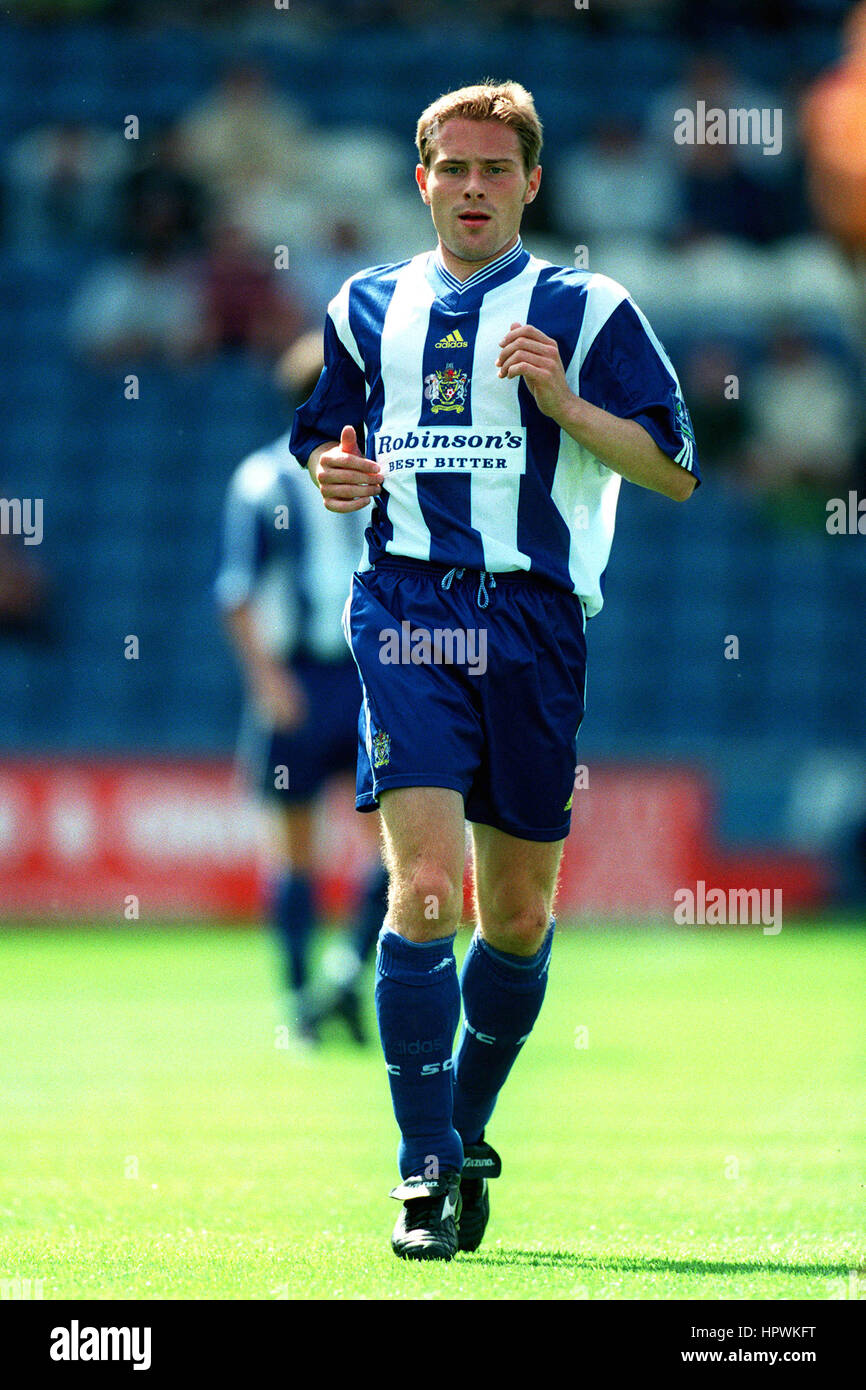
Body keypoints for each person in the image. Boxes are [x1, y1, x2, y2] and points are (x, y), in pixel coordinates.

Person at [290, 81, 700, 1260]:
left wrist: (563, 401)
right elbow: (325, 437)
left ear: (530, 183)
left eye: (493, 170)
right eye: (451, 169)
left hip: (533, 620)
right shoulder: (364, 306)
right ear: (421, 180)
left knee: (515, 915)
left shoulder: (587, 305)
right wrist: (334, 472)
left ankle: (461, 1132)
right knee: (425, 892)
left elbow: (672, 465)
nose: (471, 189)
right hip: (407, 606)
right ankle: (419, 1174)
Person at [216, 331, 388, 1046]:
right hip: (300, 679)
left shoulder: (379, 473)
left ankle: (345, 978)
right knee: (295, 849)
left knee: (393, 847)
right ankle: (302, 1004)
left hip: (365, 675)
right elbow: (237, 592)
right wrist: (265, 679)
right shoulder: (265, 481)